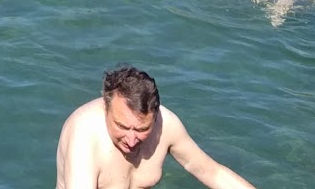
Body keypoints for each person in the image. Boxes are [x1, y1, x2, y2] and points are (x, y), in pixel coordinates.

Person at [55, 66, 257, 189]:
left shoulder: (166, 124)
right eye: (122, 126)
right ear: (105, 107)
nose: (132, 140)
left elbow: (212, 173)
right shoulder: (84, 135)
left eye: (142, 129)